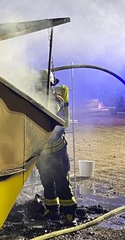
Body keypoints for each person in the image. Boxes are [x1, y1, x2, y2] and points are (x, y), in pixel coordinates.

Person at [34, 71, 79, 222]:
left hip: (57, 149)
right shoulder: (36, 98)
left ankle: (69, 212)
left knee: (61, 182)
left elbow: (52, 109)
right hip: (42, 151)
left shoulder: (56, 98)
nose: (39, 88)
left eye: (42, 85)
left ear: (50, 85)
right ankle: (51, 209)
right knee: (46, 182)